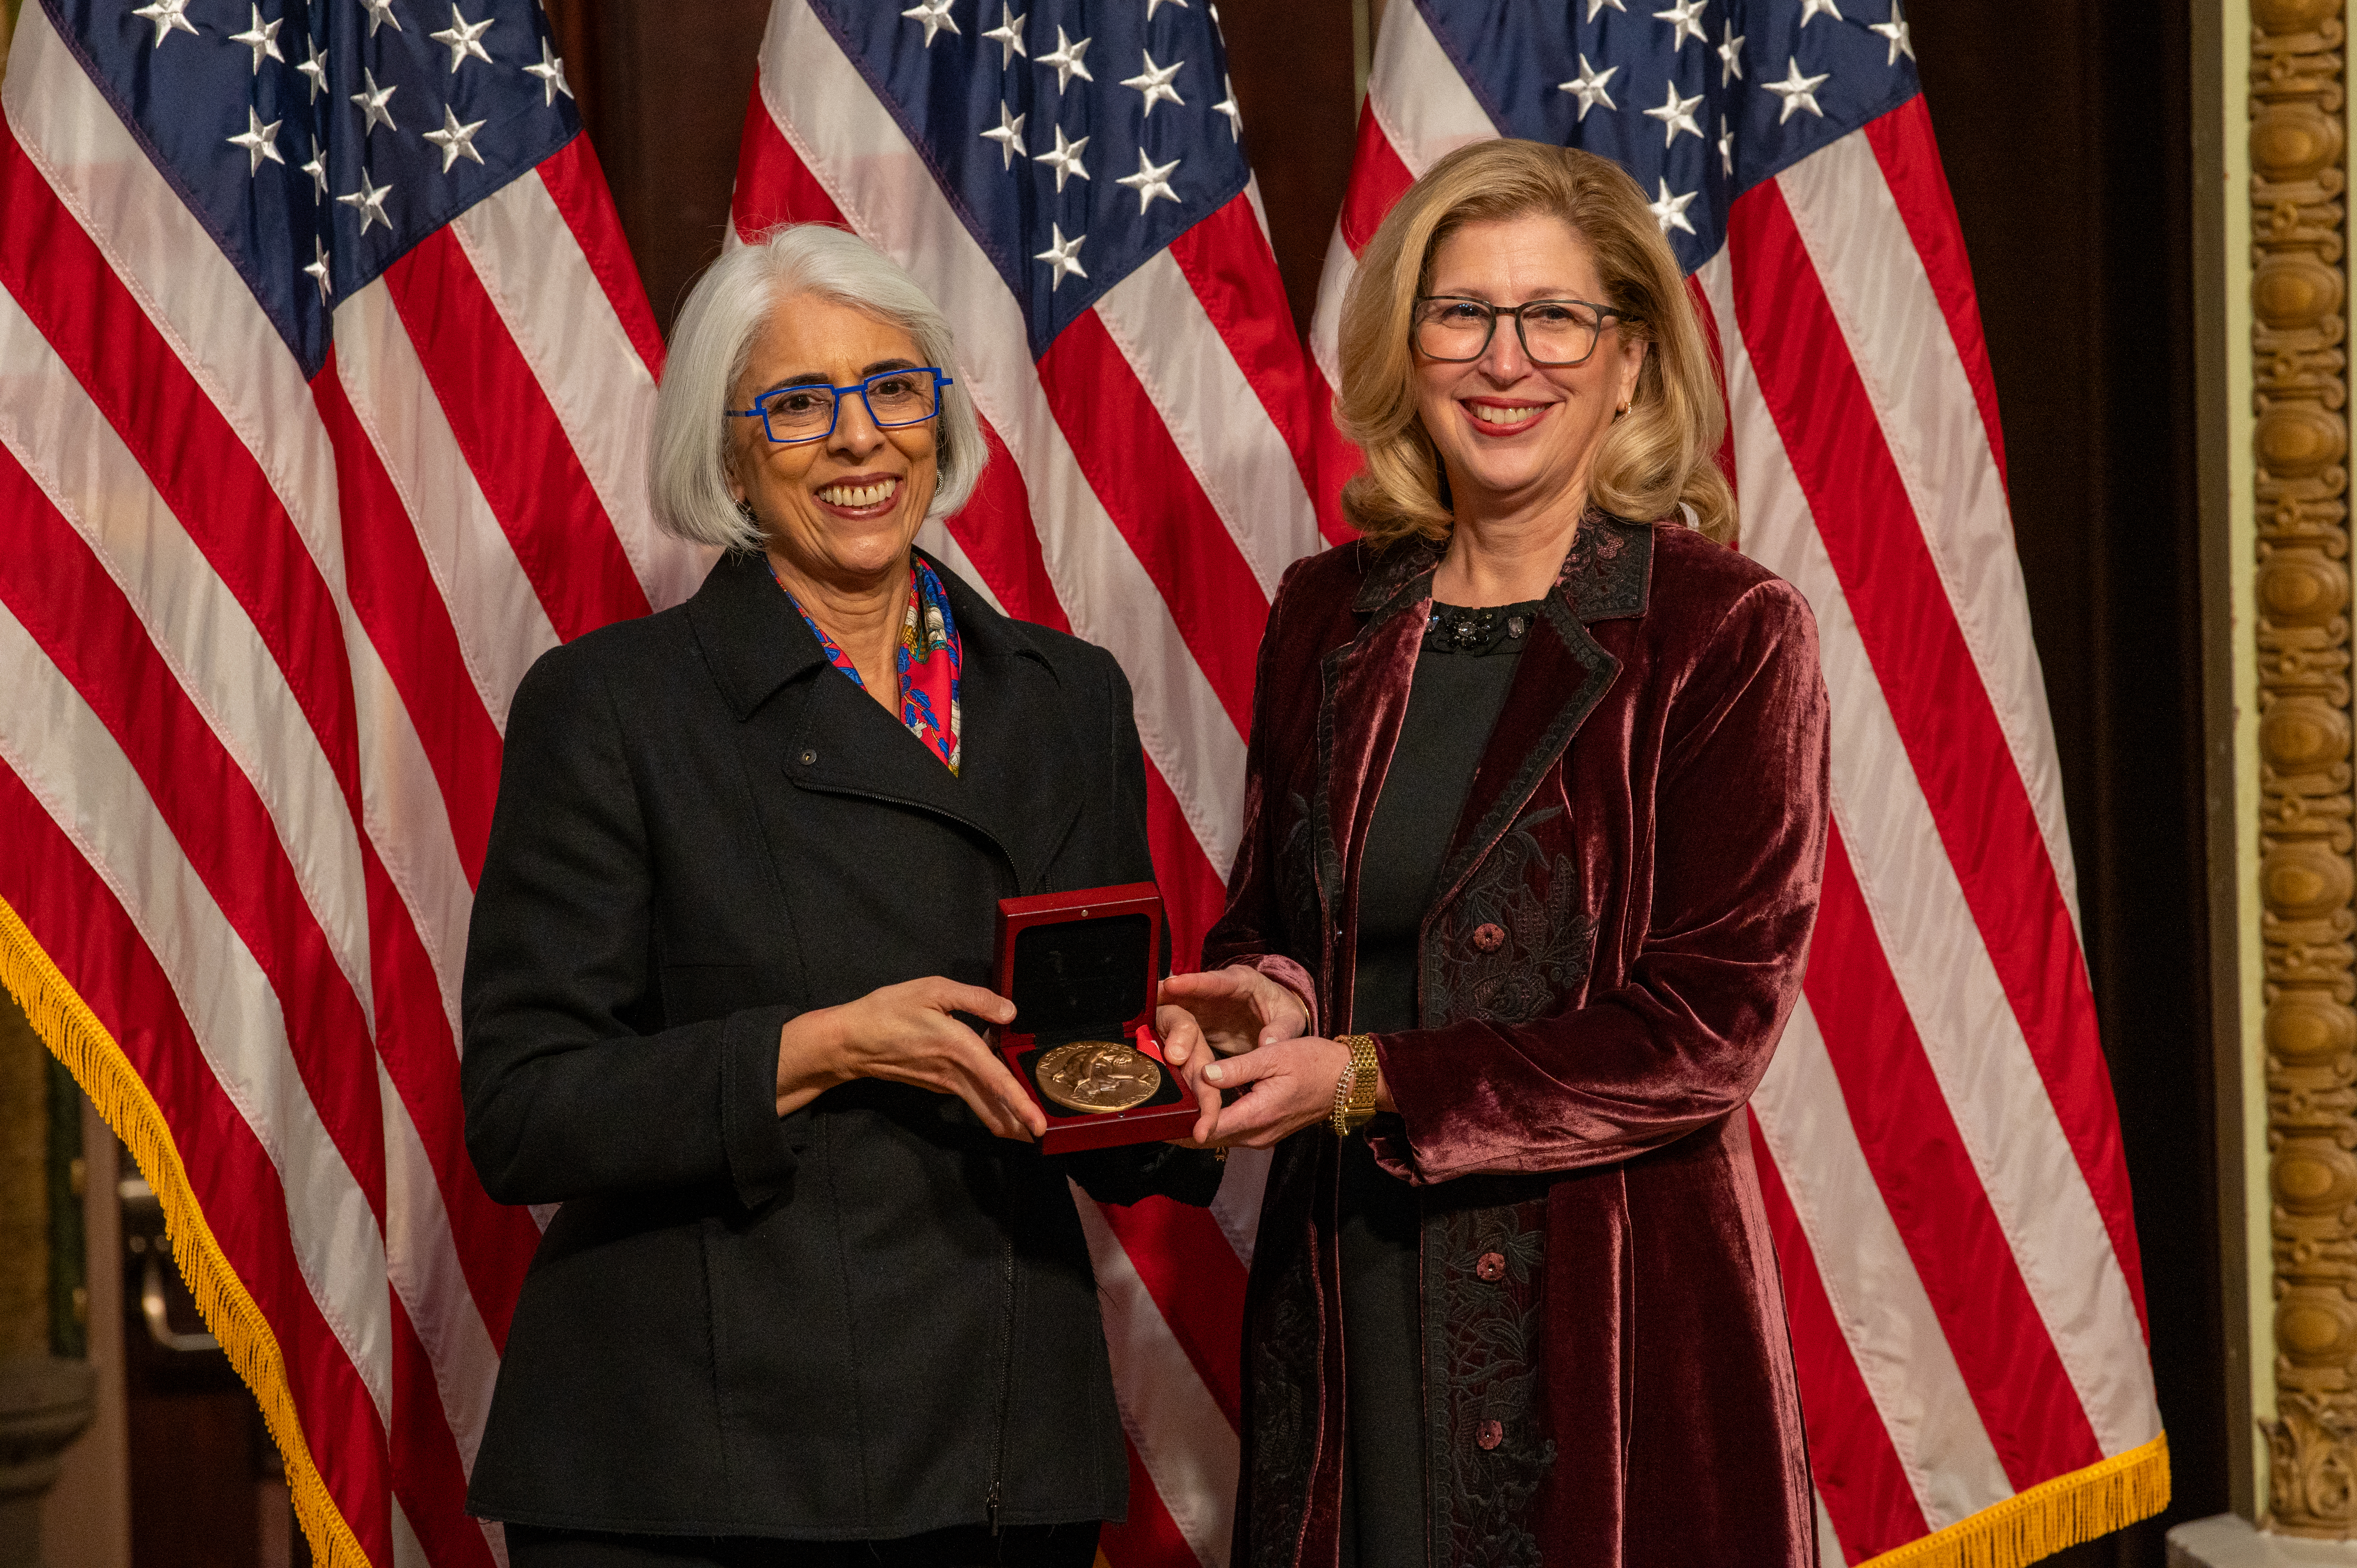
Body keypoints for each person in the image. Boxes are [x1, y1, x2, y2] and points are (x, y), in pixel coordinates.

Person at [460, 224, 1221, 1568]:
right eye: (799, 405)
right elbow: (523, 1112)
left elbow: (1087, 1063)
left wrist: (1180, 1076)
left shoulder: (1065, 698)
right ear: (730, 451)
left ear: (939, 418)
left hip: (993, 1450)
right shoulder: (612, 706)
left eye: (891, 389)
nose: (859, 439)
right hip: (698, 1466)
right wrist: (817, 1049)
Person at [1157, 140, 1831, 1566]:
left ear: (1630, 362)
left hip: (1605, 1311)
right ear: (1410, 346)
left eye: (1553, 317)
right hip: (1346, 1295)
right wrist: (1265, 992)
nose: (1502, 359)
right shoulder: (1328, 614)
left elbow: (1707, 1030)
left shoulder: (1721, 628)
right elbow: (1277, 913)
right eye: (1461, 312)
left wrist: (1366, 1076)